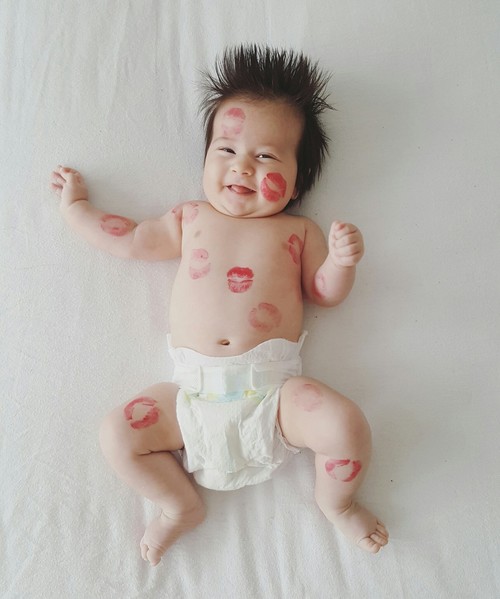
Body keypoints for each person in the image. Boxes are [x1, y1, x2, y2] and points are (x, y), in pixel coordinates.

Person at [51, 45, 388, 566]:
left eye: (266, 157)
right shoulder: (191, 218)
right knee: (116, 434)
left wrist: (342, 263)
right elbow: (134, 240)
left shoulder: (298, 232)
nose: (242, 167)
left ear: (298, 179)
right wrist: (77, 208)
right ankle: (178, 506)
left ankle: (337, 503)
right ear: (206, 156)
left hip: (275, 396)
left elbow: (324, 293)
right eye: (226, 149)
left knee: (347, 426)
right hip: (191, 394)